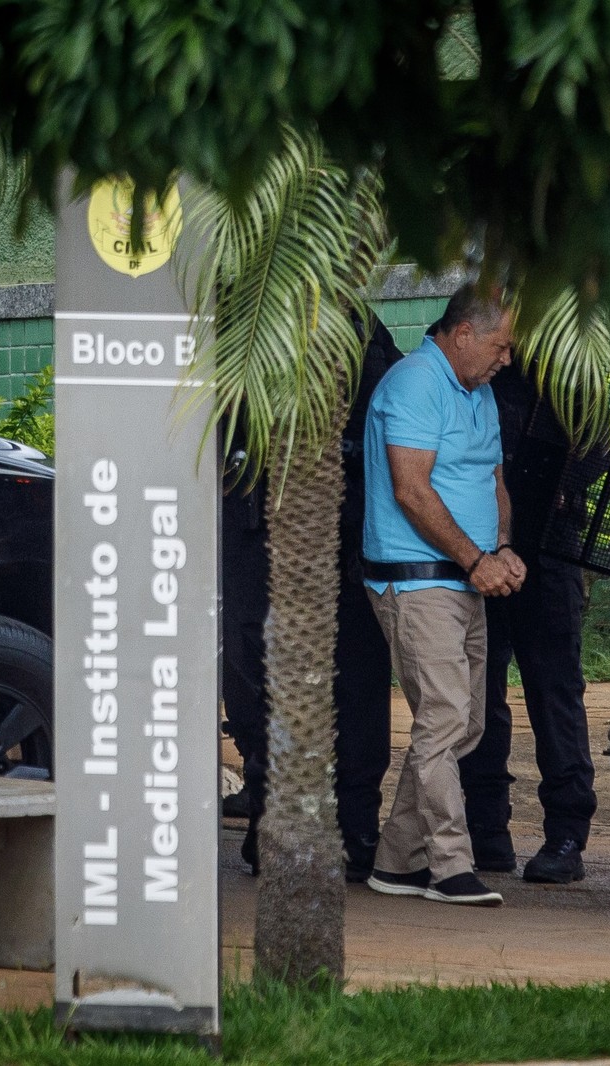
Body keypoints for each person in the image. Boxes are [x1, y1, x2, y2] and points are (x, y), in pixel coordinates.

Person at [220, 314, 403, 883]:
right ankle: (273, 824)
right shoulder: (250, 329)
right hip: (263, 541)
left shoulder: (362, 337)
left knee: (357, 689)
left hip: (343, 545)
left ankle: (353, 827)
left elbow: (385, 431)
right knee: (262, 685)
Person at [361, 284, 522, 907]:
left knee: (465, 723)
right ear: (463, 335)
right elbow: (410, 489)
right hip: (416, 579)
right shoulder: (414, 384)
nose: (506, 361)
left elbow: (493, 480)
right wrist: (475, 558)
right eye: (500, 347)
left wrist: (501, 546)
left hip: (465, 575)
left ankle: (396, 863)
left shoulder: (478, 393)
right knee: (446, 718)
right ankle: (449, 866)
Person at [459, 360, 598, 884]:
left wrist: (560, 486)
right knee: (479, 689)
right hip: (481, 549)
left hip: (548, 549)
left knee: (554, 689)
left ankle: (565, 832)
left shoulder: (569, 365)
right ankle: (487, 828)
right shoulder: (476, 371)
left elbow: (599, 444)